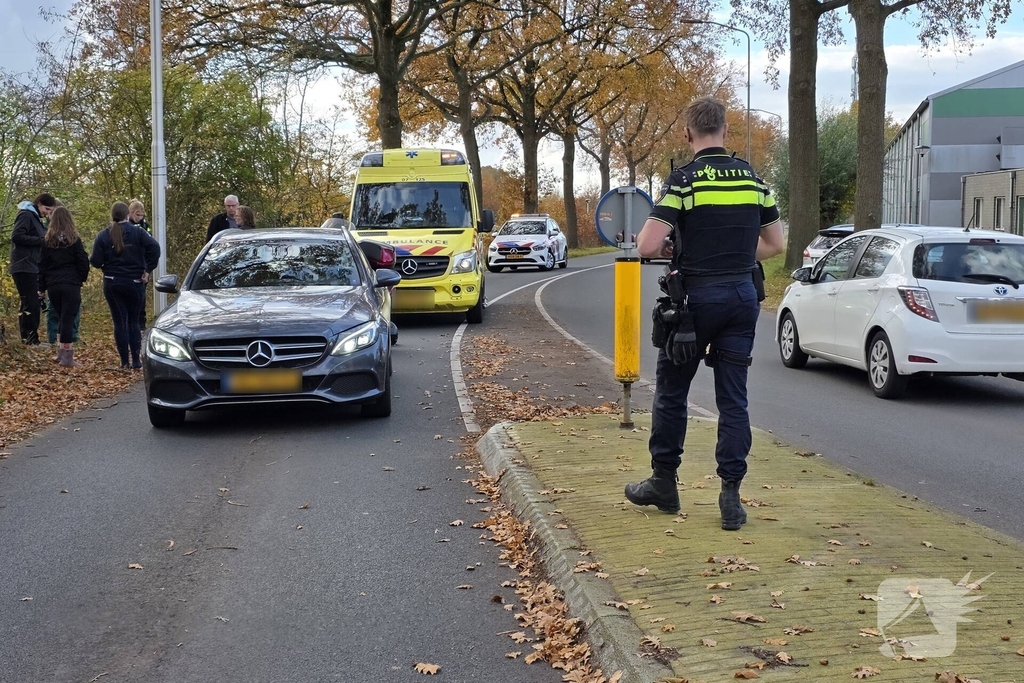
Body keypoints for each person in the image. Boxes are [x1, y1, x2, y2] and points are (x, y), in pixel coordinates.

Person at [623, 97, 785, 531]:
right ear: (726, 131)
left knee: (672, 392)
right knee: (734, 399)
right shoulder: (753, 179)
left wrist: (686, 249)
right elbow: (775, 244)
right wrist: (731, 255)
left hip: (694, 305)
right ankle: (731, 497)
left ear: (688, 133)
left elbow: (646, 245)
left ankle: (664, 482)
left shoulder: (684, 181)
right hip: (741, 299)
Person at [90, 201, 161, 369]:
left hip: (113, 282)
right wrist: (148, 269)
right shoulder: (138, 233)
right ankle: (136, 361)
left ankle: (124, 362)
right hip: (135, 283)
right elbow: (155, 248)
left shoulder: (103, 235)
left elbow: (95, 261)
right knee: (134, 322)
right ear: (128, 215)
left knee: (120, 322)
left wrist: (104, 264)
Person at [37, 207, 90, 367]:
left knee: (61, 317)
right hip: (70, 284)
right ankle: (68, 357)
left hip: (53, 285)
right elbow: (83, 261)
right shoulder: (74, 240)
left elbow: (42, 265)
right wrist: (80, 278)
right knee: (68, 318)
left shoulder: (47, 241)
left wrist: (42, 286)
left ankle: (60, 353)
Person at [9, 192, 58, 344]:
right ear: (39, 203)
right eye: (47, 209)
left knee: (32, 302)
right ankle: (30, 340)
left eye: (50, 211)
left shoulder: (37, 219)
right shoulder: (26, 215)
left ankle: (30, 338)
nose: (48, 213)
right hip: (23, 265)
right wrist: (41, 240)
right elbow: (17, 236)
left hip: (32, 266)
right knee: (31, 303)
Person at [128, 199, 151, 329]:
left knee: (141, 296)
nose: (139, 218)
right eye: (137, 215)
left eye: (141, 215)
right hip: (130, 265)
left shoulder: (145, 225)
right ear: (131, 213)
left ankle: (141, 323)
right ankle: (131, 322)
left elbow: (151, 242)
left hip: (143, 265)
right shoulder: (125, 225)